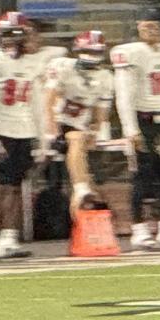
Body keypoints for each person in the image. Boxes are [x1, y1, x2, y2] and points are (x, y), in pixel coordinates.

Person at [0, 11, 51, 260]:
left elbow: (37, 103)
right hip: (0, 130)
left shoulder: (32, 62)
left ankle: (9, 237)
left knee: (16, 187)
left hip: (24, 130)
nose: (13, 40)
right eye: (9, 34)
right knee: (0, 187)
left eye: (18, 34)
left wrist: (41, 139)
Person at [111, 14, 160, 250]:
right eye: (146, 26)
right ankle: (140, 230)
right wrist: (130, 129)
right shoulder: (131, 54)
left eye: (155, 25)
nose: (151, 30)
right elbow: (123, 94)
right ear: (137, 28)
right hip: (143, 121)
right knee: (142, 177)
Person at [44, 30, 116, 213]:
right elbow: (49, 101)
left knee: (86, 177)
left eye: (95, 52)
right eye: (89, 51)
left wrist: (95, 133)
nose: (92, 56)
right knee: (76, 141)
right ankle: (81, 190)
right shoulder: (62, 66)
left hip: (78, 124)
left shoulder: (105, 77)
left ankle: (85, 199)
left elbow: (101, 114)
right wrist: (51, 131)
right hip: (56, 119)